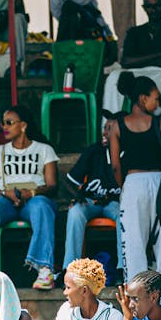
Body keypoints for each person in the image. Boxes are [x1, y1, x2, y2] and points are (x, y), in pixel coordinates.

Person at [0, 106, 60, 289]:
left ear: (23, 125)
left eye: (9, 122)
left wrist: (31, 193)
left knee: (41, 206)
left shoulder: (44, 150)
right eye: (3, 123)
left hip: (34, 199)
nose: (4, 127)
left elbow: (52, 186)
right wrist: (5, 193)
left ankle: (44, 270)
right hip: (6, 200)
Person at [111, 74, 161, 277]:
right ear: (142, 98)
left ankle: (135, 285)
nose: (157, 103)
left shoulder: (117, 125)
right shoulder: (160, 123)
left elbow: (115, 166)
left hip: (133, 183)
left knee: (133, 240)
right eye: (155, 98)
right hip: (159, 182)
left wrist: (124, 187)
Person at [103, 0, 161, 117]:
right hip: (136, 76)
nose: (153, 10)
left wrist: (140, 59)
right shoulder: (134, 32)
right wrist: (159, 54)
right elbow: (126, 62)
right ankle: (109, 127)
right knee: (114, 76)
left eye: (157, 6)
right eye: (149, 6)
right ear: (144, 8)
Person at [63, 113, 123, 275]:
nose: (105, 132)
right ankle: (69, 270)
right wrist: (78, 196)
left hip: (115, 203)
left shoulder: (128, 153)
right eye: (105, 128)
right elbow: (69, 181)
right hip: (91, 201)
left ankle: (122, 269)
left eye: (110, 129)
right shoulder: (95, 150)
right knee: (75, 212)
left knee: (124, 214)